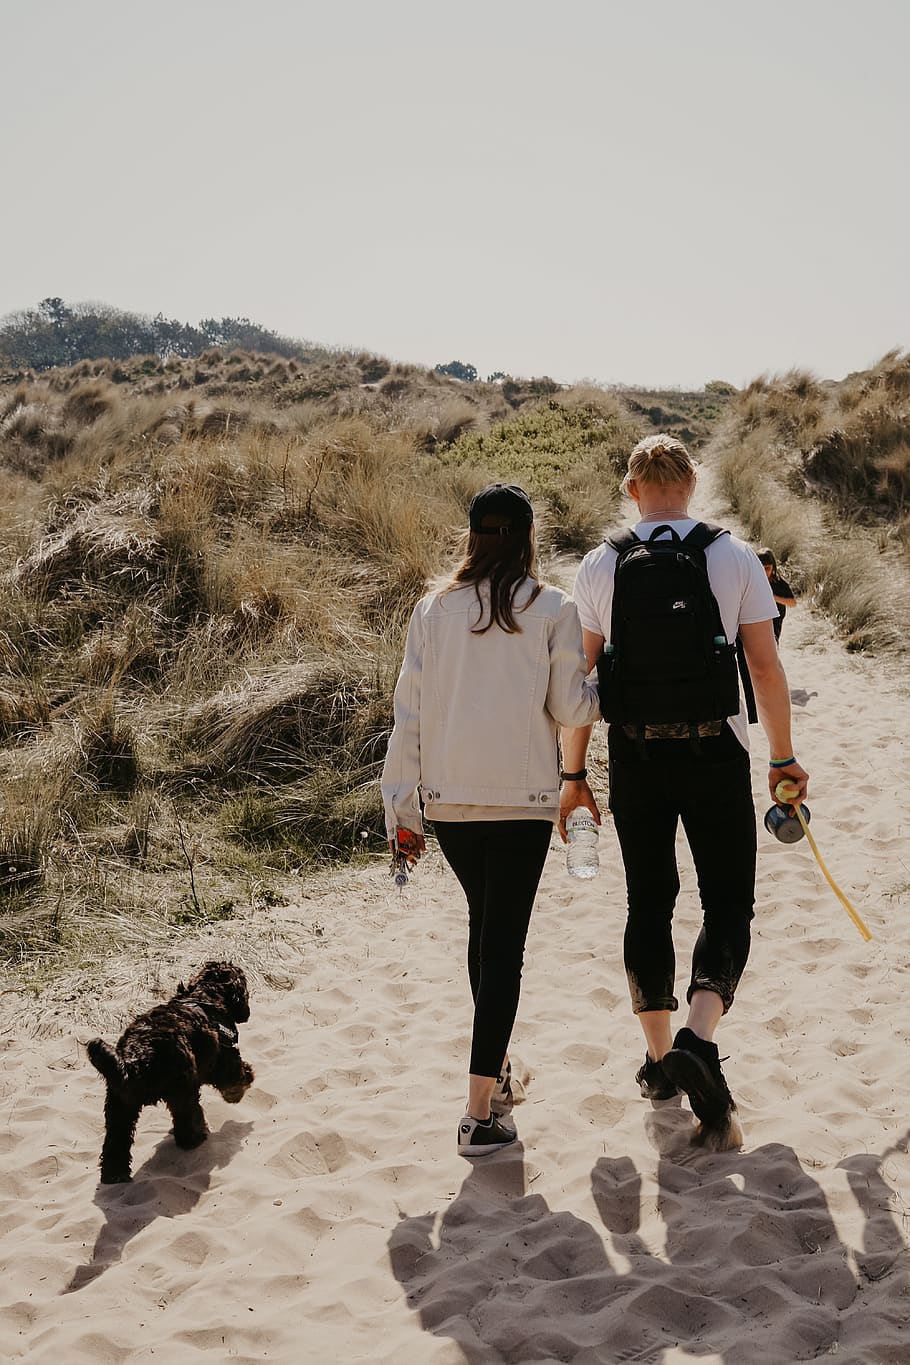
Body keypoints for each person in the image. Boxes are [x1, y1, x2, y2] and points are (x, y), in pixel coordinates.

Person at [559, 435, 809, 1142]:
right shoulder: (731, 555)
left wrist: (574, 778)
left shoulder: (601, 562)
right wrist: (782, 758)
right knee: (728, 897)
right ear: (691, 485)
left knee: (649, 900)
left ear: (632, 488)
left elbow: (583, 689)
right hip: (716, 751)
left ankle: (660, 1058)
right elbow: (763, 669)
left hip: (636, 756)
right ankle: (700, 1034)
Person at [382, 484, 601, 1158]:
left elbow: (408, 715)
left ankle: (498, 1072)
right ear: (528, 537)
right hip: (521, 803)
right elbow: (573, 710)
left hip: (450, 804)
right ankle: (479, 1113)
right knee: (503, 947)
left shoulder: (432, 609)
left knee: (487, 932)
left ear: (473, 536)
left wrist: (403, 811)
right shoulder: (554, 608)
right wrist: (601, 677)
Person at [757, 547, 797, 642]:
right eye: (761, 568)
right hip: (758, 619)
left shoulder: (779, 583)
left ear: (773, 567)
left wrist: (773, 598)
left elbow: (793, 603)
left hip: (775, 620)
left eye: (767, 568)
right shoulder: (753, 581)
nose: (764, 572)